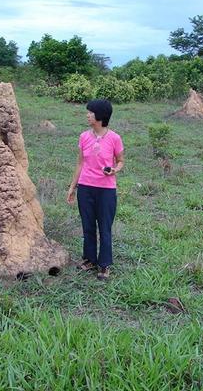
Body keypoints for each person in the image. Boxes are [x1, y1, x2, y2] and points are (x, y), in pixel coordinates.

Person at [67, 99, 124, 280]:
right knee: (88, 226)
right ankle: (90, 260)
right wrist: (72, 187)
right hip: (86, 188)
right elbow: (80, 163)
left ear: (100, 116)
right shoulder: (84, 136)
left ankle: (104, 265)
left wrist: (115, 169)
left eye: (90, 112)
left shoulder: (114, 138)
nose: (87, 115)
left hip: (106, 190)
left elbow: (121, 160)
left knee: (105, 228)